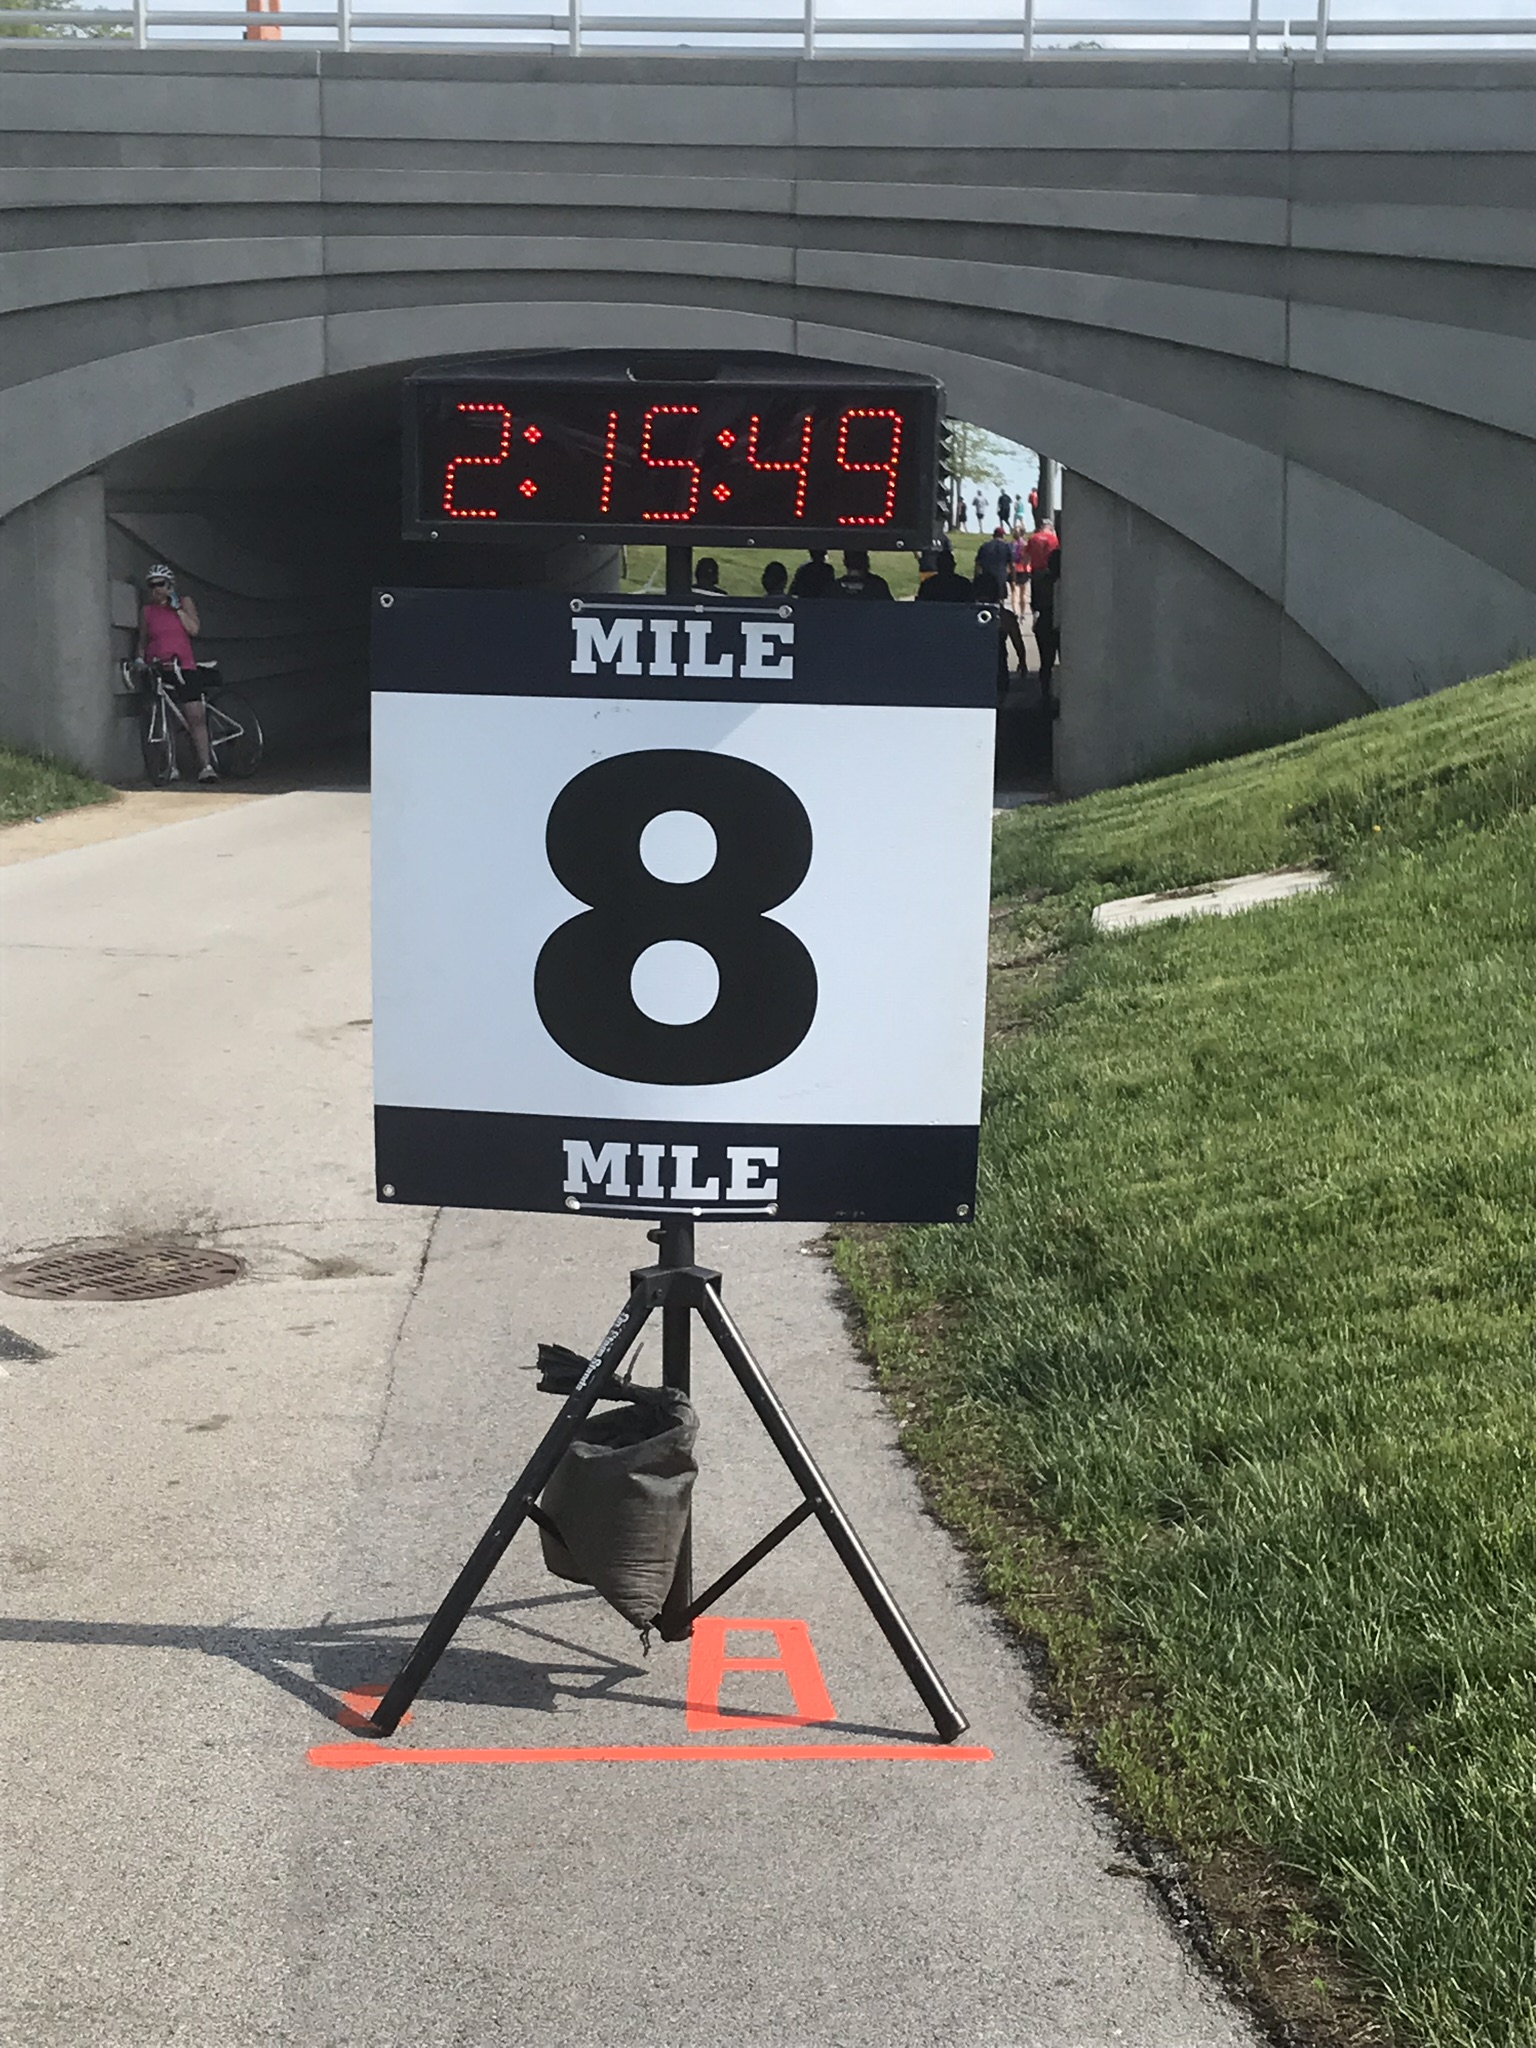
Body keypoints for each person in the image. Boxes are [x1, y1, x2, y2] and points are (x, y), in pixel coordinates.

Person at [138, 563, 217, 781]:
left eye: (160, 584)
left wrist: (177, 609)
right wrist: (139, 659)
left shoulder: (184, 602)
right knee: (167, 717)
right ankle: (171, 767)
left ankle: (206, 766)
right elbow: (143, 640)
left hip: (183, 666)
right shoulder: (147, 611)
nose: (156, 590)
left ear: (170, 585)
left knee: (195, 716)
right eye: (151, 585)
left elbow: (194, 629)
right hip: (159, 667)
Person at [972, 525, 1013, 604]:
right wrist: (1013, 578)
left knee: (986, 600)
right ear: (1002, 535)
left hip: (986, 577)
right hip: (1001, 577)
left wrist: (976, 577)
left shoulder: (985, 546)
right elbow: (1011, 564)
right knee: (1000, 601)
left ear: (993, 535)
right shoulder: (1006, 547)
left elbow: (977, 564)